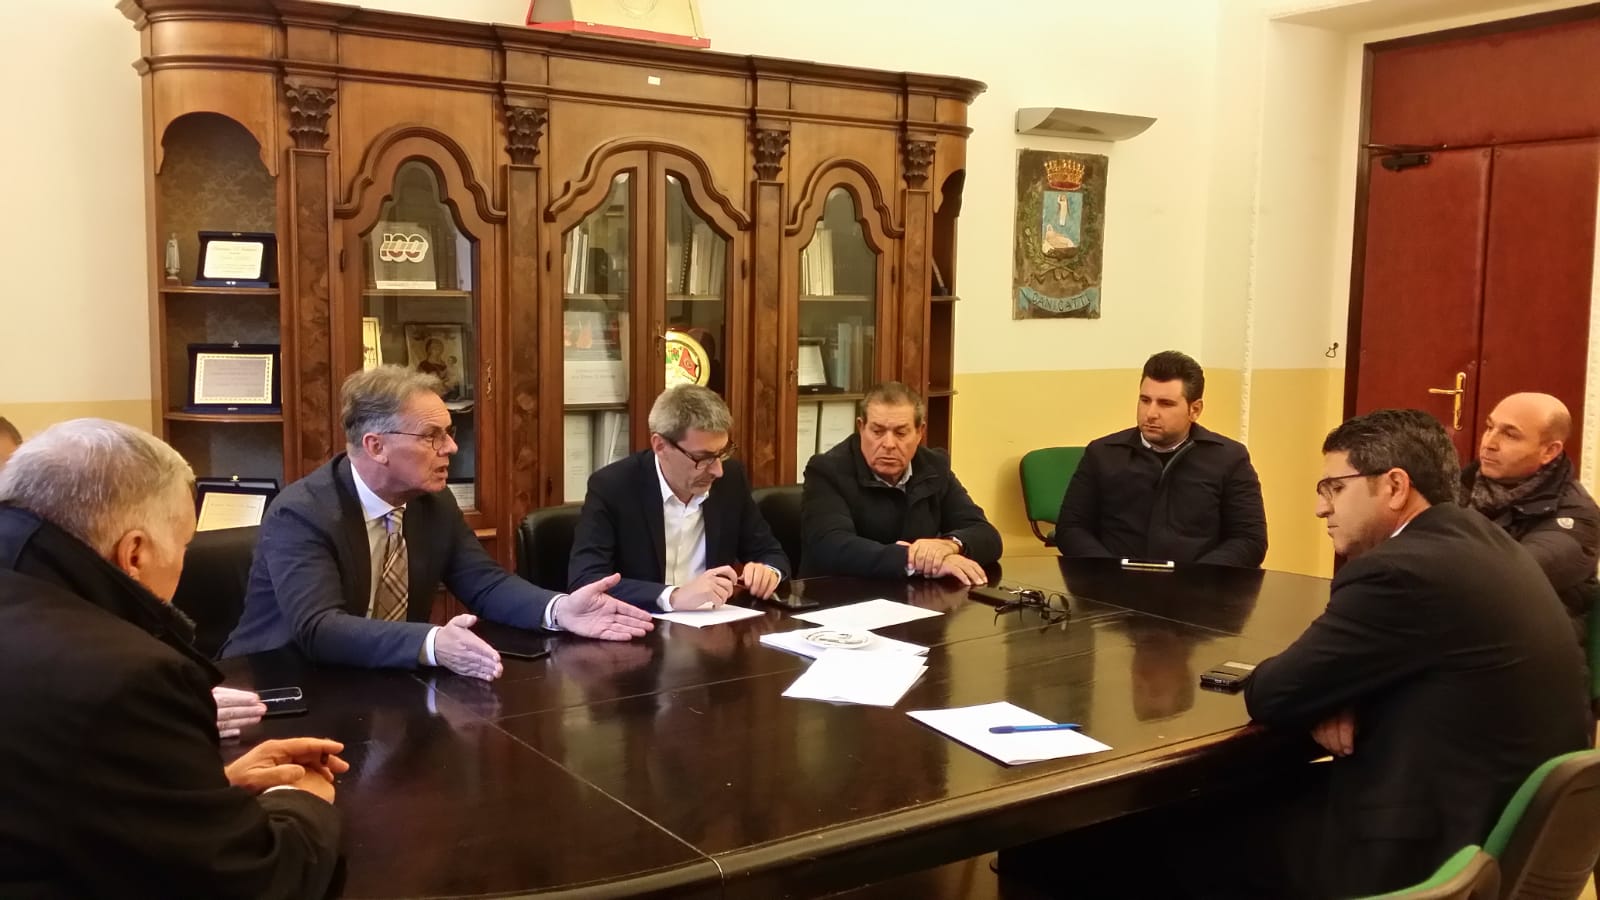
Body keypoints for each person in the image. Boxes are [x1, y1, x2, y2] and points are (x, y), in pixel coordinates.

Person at [1239, 409, 1591, 897]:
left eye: (1334, 488)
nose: (1321, 508)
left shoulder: (1399, 571)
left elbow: (1274, 693)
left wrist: (1332, 691)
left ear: (1395, 486)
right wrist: (1344, 690)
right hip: (1500, 835)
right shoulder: (1488, 543)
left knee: (1170, 838)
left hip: (1433, 853)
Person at [0, 419, 345, 898]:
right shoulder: (127, 678)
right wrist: (300, 800)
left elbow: (45, 798)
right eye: (184, 545)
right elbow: (251, 882)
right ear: (134, 554)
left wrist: (196, 792)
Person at [222, 367, 653, 680]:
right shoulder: (302, 513)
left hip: (381, 680)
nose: (450, 448)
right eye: (432, 436)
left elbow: (485, 585)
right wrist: (430, 643)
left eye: (449, 433)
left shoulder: (432, 502)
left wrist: (559, 610)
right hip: (280, 684)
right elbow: (319, 628)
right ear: (376, 446)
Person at [569, 385, 789, 611]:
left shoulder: (731, 479)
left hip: (714, 623)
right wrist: (673, 596)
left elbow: (770, 553)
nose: (717, 470)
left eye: (722, 453)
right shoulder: (613, 486)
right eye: (702, 458)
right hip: (641, 624)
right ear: (660, 446)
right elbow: (586, 581)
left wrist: (768, 572)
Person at [1056, 350, 1267, 567]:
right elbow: (1071, 529)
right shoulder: (1103, 454)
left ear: (1195, 410)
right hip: (1113, 581)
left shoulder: (1229, 459)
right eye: (1145, 400)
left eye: (1165, 403)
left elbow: (1249, 540)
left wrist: (1198, 576)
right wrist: (1109, 571)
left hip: (1199, 583)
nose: (1150, 413)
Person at [800, 381, 1001, 584]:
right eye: (877, 432)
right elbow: (832, 546)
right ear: (861, 428)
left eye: (900, 433)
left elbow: (986, 535)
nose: (888, 444)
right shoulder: (827, 470)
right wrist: (916, 559)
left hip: (917, 594)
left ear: (920, 432)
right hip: (842, 593)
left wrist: (949, 546)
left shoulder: (933, 467)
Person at [1462, 392, 1600, 642]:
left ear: (1549, 451)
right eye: (1489, 428)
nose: (1489, 443)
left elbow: (1507, 575)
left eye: (1510, 435)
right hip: (1464, 632)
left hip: (1529, 648)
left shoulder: (1576, 516)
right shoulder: (1461, 486)